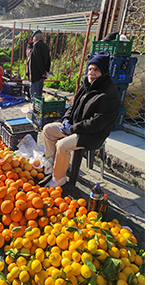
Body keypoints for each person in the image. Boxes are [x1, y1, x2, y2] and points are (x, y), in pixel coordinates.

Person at [40, 51, 122, 188]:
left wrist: (72, 128)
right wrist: (66, 120)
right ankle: (50, 162)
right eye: (90, 69)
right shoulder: (87, 85)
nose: (92, 73)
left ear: (104, 72)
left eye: (96, 70)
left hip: (92, 134)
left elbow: (96, 123)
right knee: (48, 130)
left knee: (62, 146)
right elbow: (73, 107)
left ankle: (59, 179)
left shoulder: (109, 94)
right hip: (74, 126)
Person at [27, 30, 51, 99]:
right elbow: (48, 59)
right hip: (41, 75)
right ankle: (39, 108)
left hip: (36, 74)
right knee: (39, 93)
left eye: (33, 38)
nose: (33, 39)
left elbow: (38, 60)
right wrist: (46, 71)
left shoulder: (36, 46)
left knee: (34, 94)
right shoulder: (45, 46)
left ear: (35, 37)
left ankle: (35, 108)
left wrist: (42, 72)